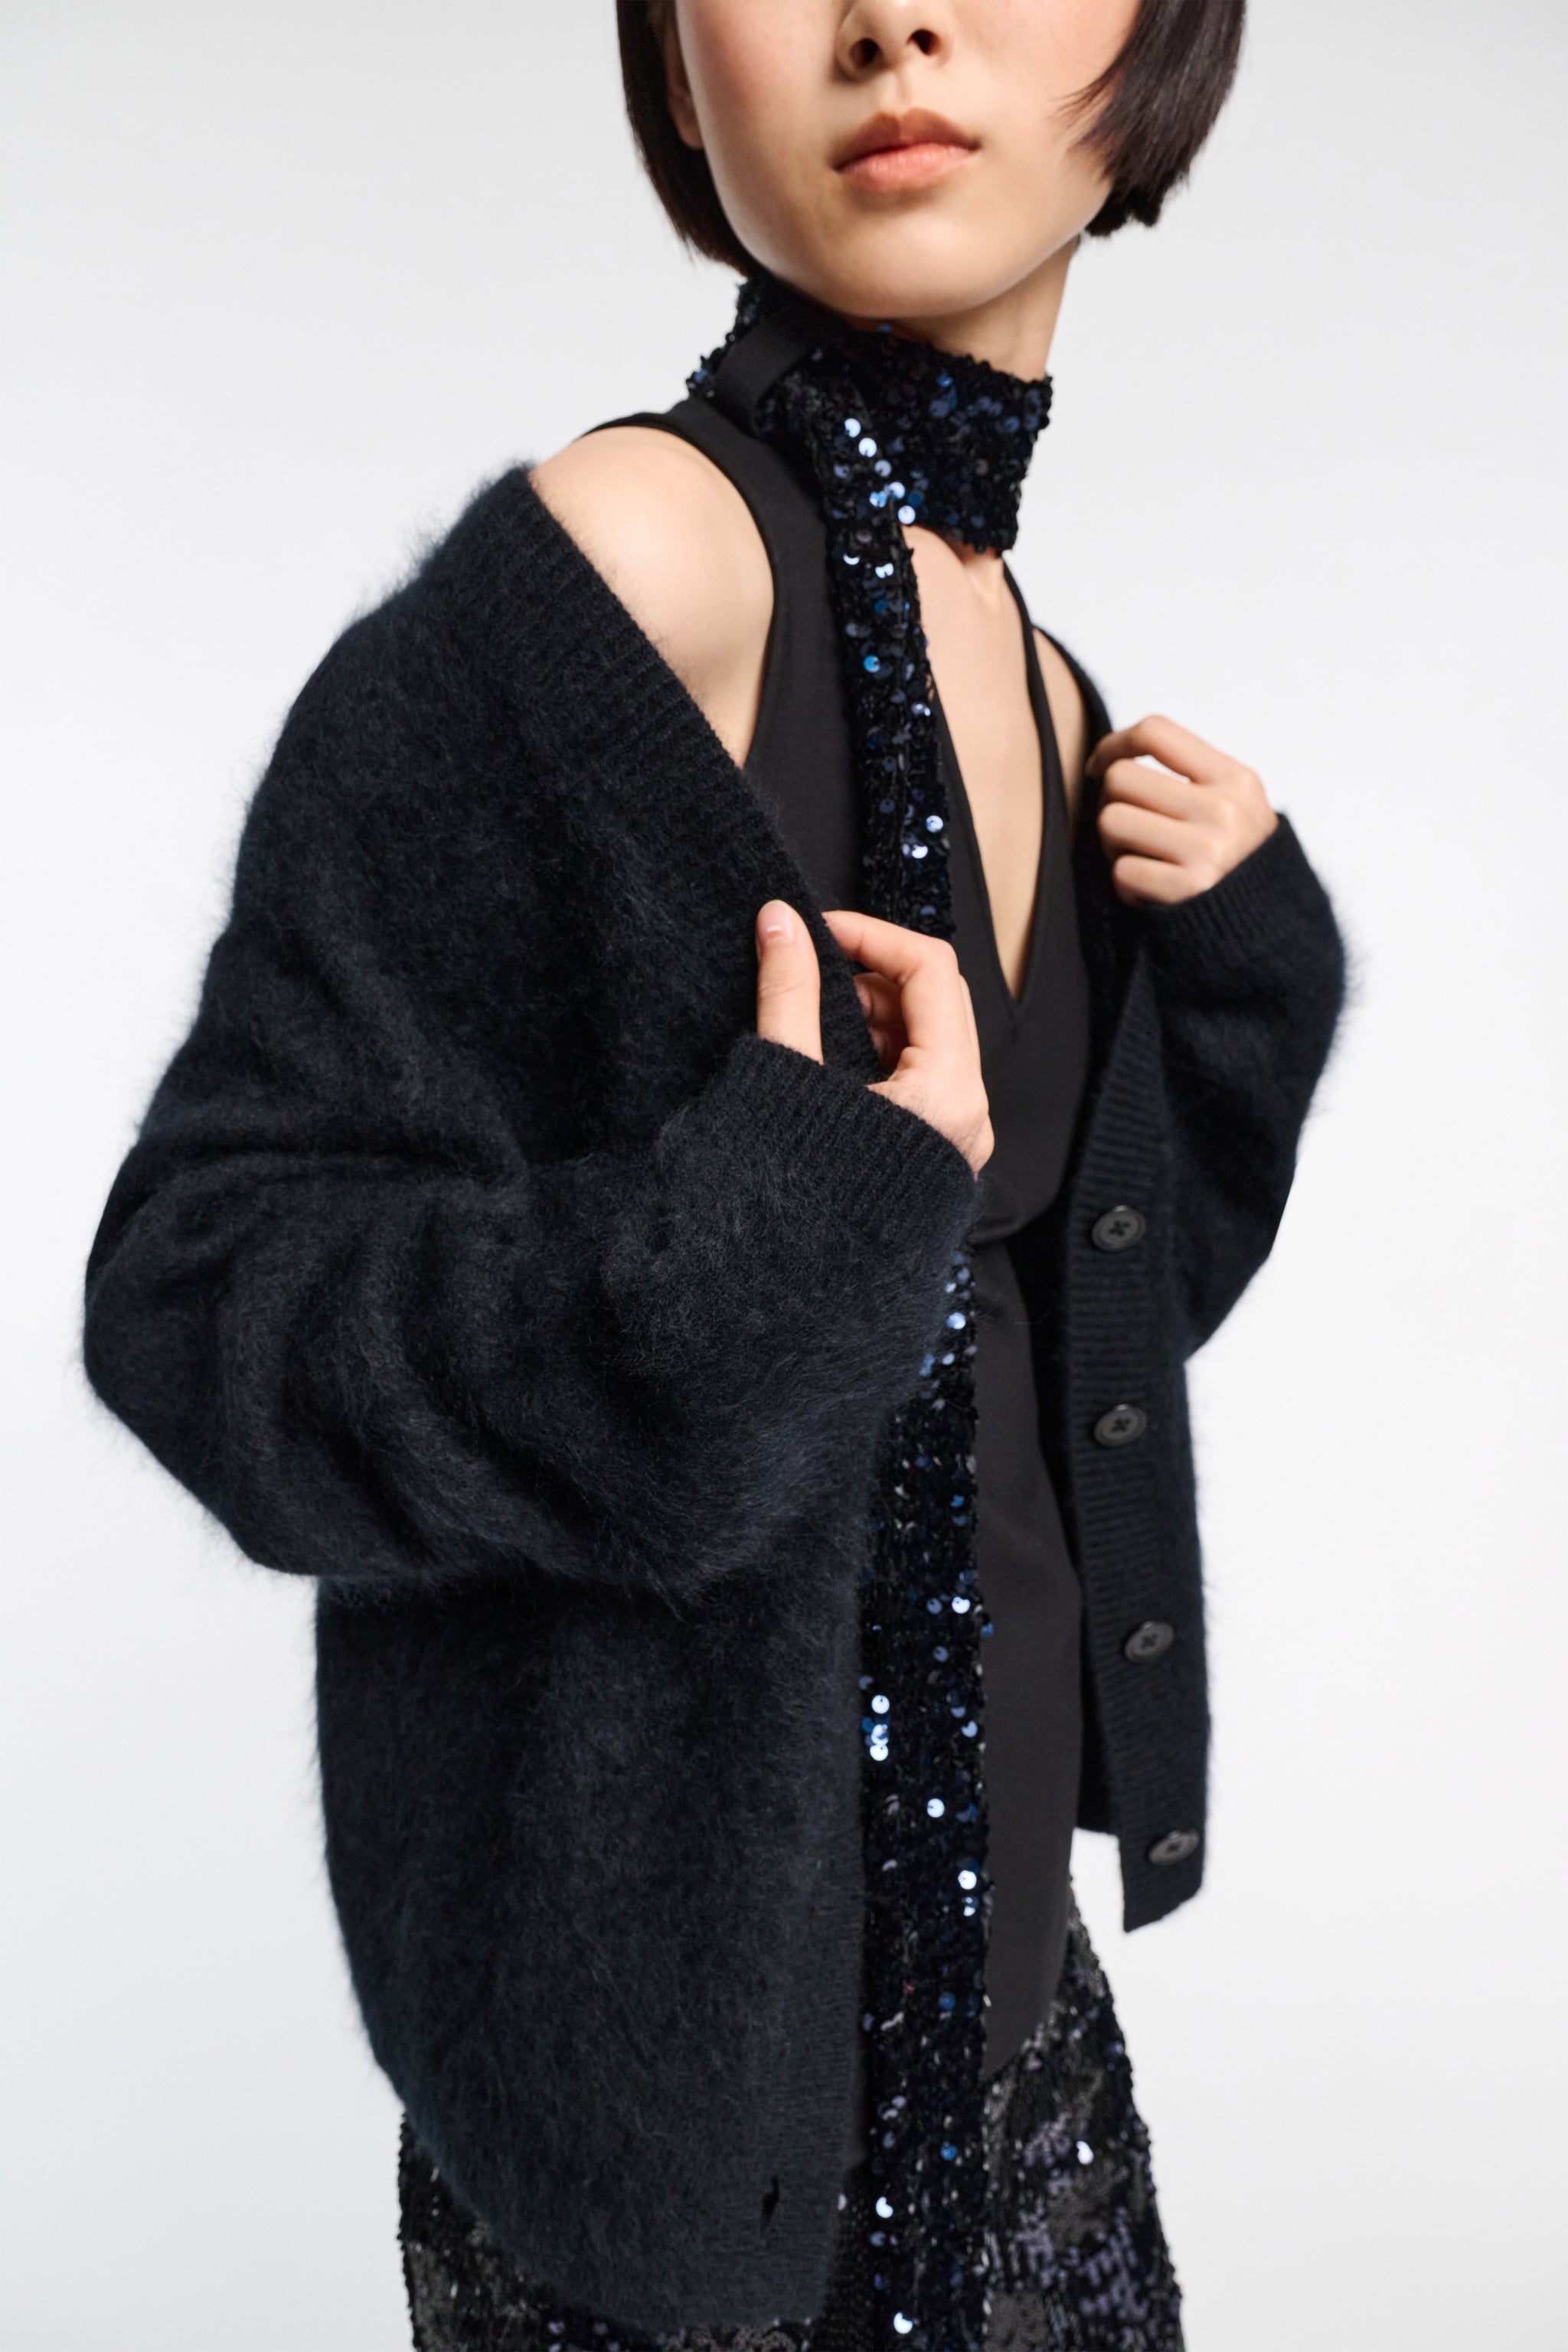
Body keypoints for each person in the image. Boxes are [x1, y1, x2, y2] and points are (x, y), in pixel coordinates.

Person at [83, 2, 1345, 2347]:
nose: (893, 18)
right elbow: (205, 1296)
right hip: (661, 2136)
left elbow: (1059, 1345)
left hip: (1010, 2055)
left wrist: (1244, 977)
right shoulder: (638, 563)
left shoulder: (1045, 677)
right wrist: (765, 1239)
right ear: (675, 66)